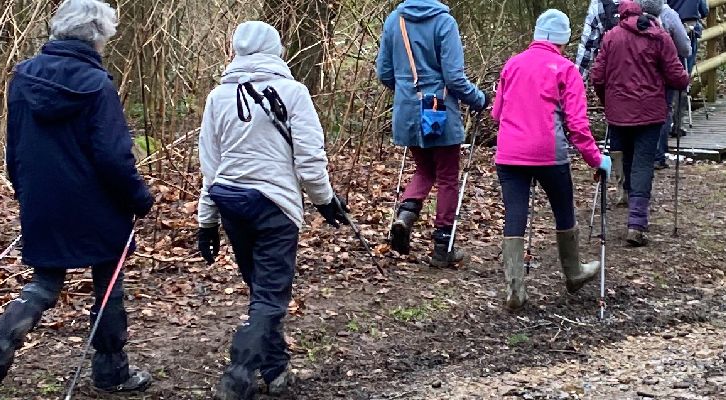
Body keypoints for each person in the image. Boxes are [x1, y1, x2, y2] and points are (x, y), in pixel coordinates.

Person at [0, 0, 153, 397]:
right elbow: (114, 156)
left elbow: (13, 148)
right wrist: (139, 198)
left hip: (43, 199)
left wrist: (26, 193)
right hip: (99, 204)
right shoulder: (98, 85)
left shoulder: (22, 77)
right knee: (108, 285)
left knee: (45, 282)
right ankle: (111, 371)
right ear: (100, 35)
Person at [196, 21, 351, 400]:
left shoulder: (218, 97)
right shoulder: (293, 93)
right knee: (268, 296)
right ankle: (237, 375)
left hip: (231, 202)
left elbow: (210, 165)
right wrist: (325, 201)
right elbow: (310, 161)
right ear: (276, 50)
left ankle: (276, 371)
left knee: (260, 291)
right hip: (274, 206)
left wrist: (208, 219)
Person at [492, 9, 613, 311]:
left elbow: (497, 113)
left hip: (509, 153)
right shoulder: (566, 69)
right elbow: (577, 125)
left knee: (515, 213)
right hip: (548, 153)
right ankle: (573, 273)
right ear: (563, 39)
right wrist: (596, 159)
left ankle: (515, 289)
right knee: (562, 208)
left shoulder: (512, 64)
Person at [375, 0, 491, 268]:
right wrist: (479, 99)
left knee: (425, 170)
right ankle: (442, 247)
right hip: (439, 111)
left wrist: (406, 91)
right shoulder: (444, 22)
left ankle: (405, 215)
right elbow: (454, 78)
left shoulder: (395, 20)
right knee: (448, 177)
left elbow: (384, 72)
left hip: (407, 111)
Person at [590, 0, 690, 247]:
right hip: (650, 113)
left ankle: (623, 192)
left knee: (624, 155)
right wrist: (683, 81)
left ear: (621, 15)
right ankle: (636, 223)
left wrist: (607, 101)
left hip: (619, 113)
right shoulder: (659, 36)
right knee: (643, 164)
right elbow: (676, 75)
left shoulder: (611, 37)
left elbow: (597, 77)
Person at [638, 0, 690, 170]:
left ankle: (640, 154)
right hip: (664, 74)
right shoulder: (670, 16)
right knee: (663, 111)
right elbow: (684, 48)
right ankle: (657, 155)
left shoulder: (630, 20)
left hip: (638, 74)